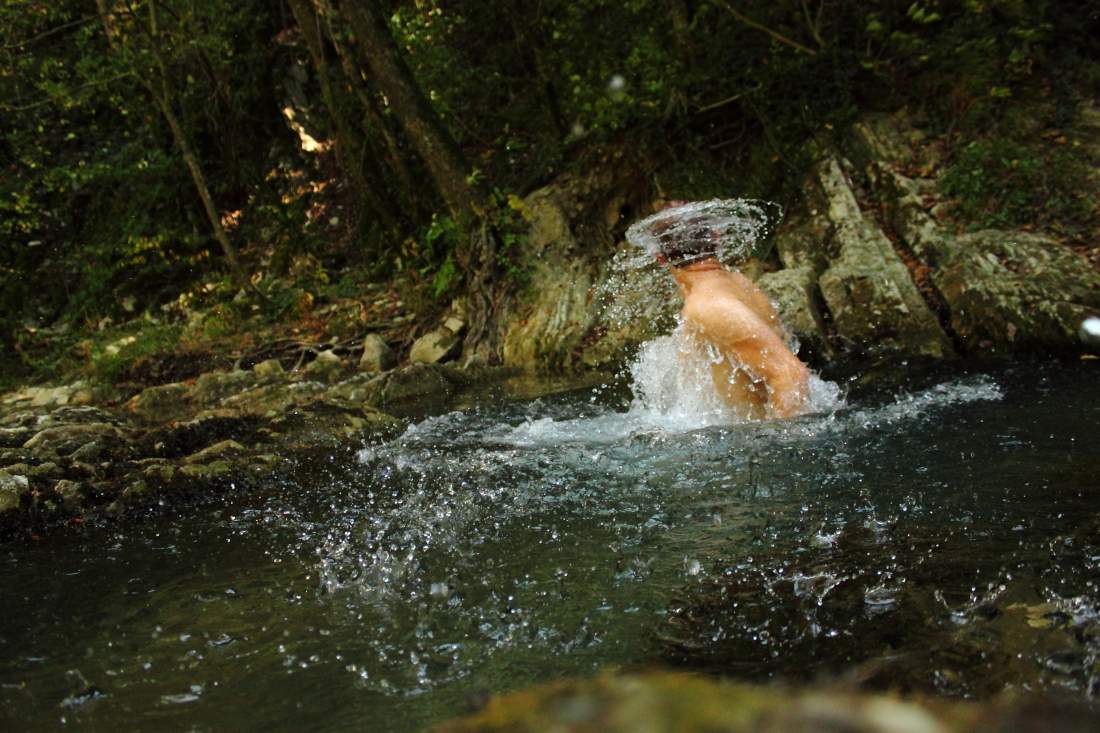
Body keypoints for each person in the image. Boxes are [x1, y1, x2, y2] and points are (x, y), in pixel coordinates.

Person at [651, 202, 810, 419]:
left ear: (660, 258)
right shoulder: (737, 283)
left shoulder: (709, 305)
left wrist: (781, 445)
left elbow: (791, 375)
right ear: (716, 237)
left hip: (759, 439)